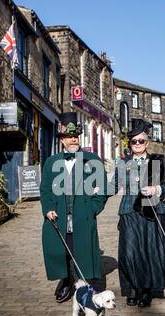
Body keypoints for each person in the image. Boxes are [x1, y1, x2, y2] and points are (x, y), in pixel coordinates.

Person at [40, 112, 108, 303]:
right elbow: (45, 190)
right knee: (61, 248)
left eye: (75, 136)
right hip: (59, 215)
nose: (73, 140)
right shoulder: (51, 162)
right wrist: (47, 209)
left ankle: (84, 283)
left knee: (83, 248)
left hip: (83, 215)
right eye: (69, 137)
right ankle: (66, 280)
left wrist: (93, 209)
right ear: (62, 139)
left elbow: (102, 189)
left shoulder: (92, 160)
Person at [109, 119, 165, 307]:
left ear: (147, 142)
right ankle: (133, 289)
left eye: (141, 141)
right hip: (129, 211)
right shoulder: (123, 164)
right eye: (134, 141)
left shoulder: (157, 161)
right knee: (129, 253)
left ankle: (147, 290)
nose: (137, 144)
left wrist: (157, 189)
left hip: (153, 211)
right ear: (129, 144)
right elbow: (113, 185)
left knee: (151, 251)